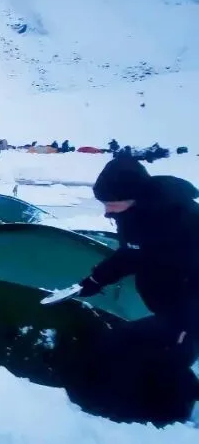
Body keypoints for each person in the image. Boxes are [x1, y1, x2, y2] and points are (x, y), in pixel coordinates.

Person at [64, 157, 199, 423]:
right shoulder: (133, 215)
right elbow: (131, 254)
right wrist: (96, 280)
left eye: (110, 204)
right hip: (166, 306)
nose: (106, 212)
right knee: (133, 349)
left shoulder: (184, 221)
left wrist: (188, 324)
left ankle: (166, 424)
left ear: (132, 195)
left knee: (166, 360)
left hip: (187, 311)